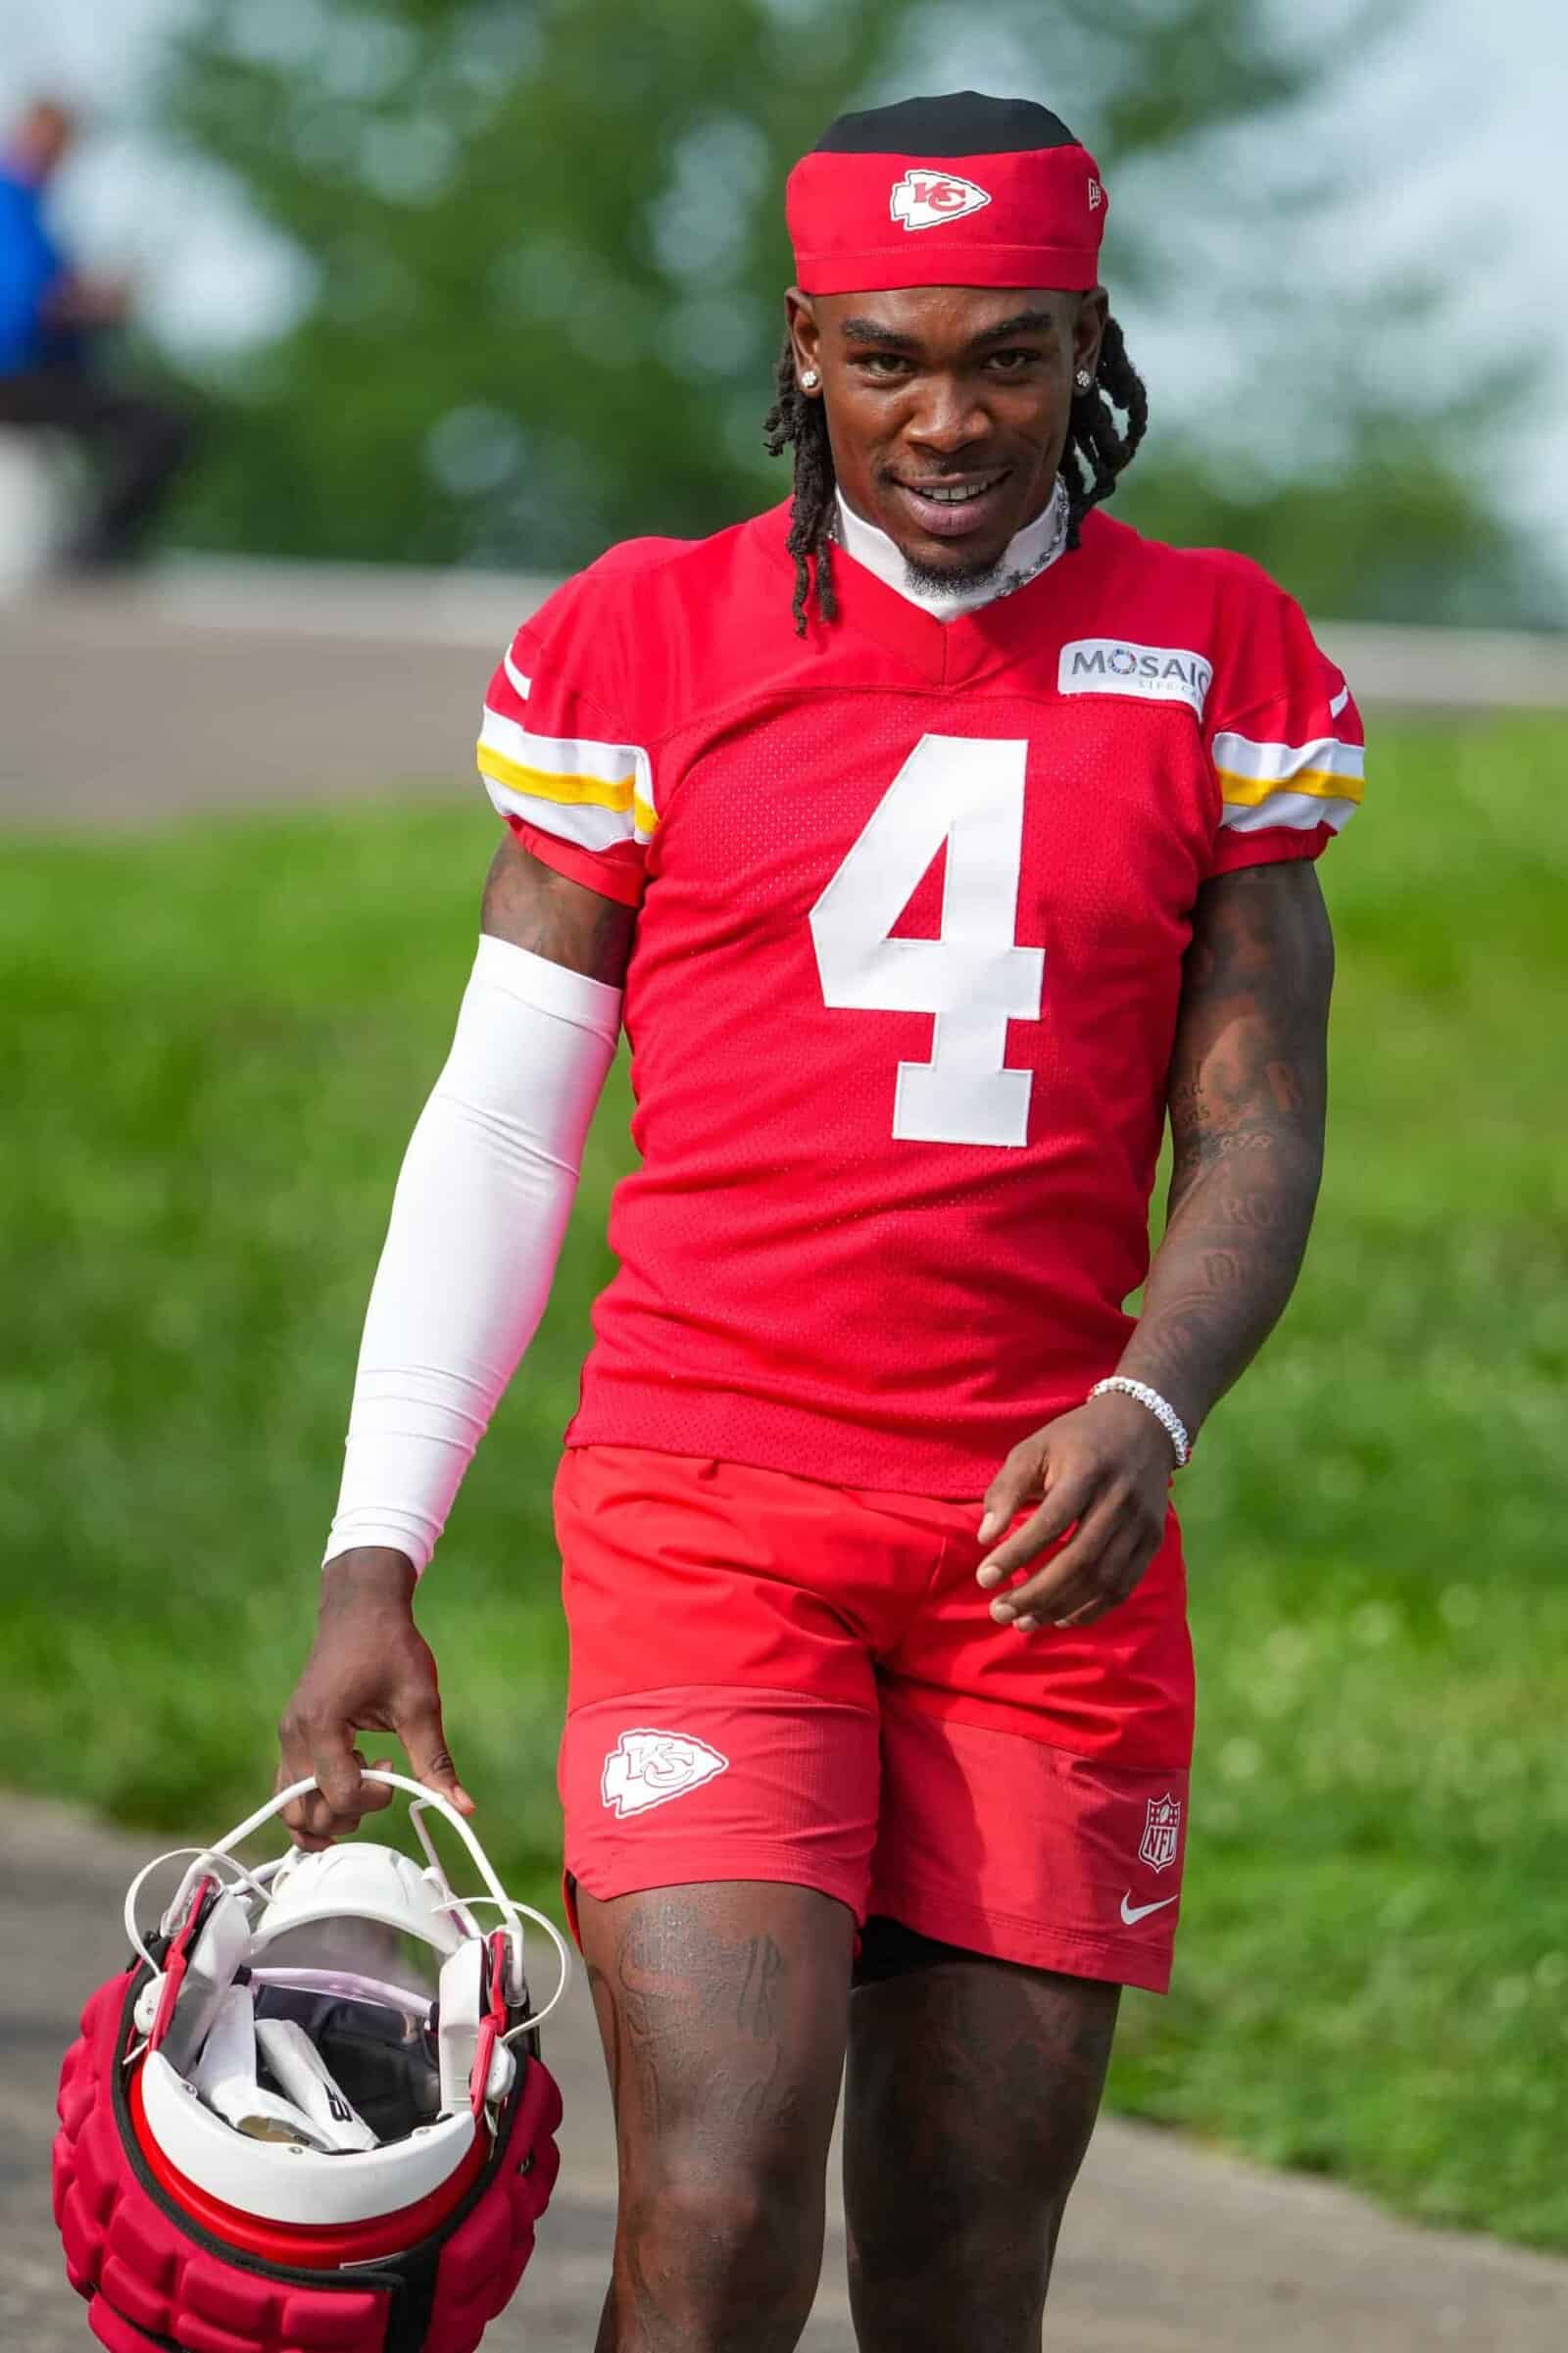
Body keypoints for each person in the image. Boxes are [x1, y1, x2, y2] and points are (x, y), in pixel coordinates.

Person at [276, 91, 1362, 2352]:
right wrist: (376, 1551)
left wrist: (1151, 1404)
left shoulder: (1215, 652)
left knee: (962, 2282)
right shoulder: (644, 637)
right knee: (715, 2204)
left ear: (1086, 347)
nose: (947, 419)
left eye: (1008, 357)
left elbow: (1255, 1124)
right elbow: (501, 1131)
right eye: (887, 359)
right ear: (801, 348)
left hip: (1036, 1540)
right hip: (710, 1510)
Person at [0, 99, 196, 568]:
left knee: (146, 418)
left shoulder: (35, 212)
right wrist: (97, 303)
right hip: (15, 378)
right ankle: (94, 552)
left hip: (40, 375)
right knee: (157, 424)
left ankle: (90, 547)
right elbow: (29, 306)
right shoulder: (11, 206)